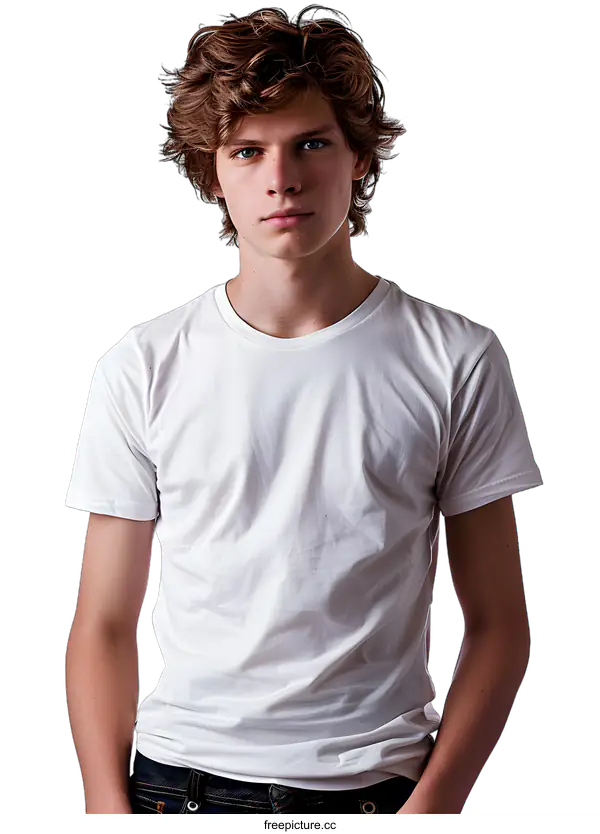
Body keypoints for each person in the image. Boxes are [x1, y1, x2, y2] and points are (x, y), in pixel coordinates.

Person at [64, 6, 543, 816]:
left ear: (359, 155)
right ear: (211, 174)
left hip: (379, 792)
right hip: (174, 786)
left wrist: (431, 813)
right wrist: (108, 819)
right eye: (248, 152)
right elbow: (106, 623)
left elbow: (497, 621)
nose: (281, 178)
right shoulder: (143, 366)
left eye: (310, 143)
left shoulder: (455, 360)